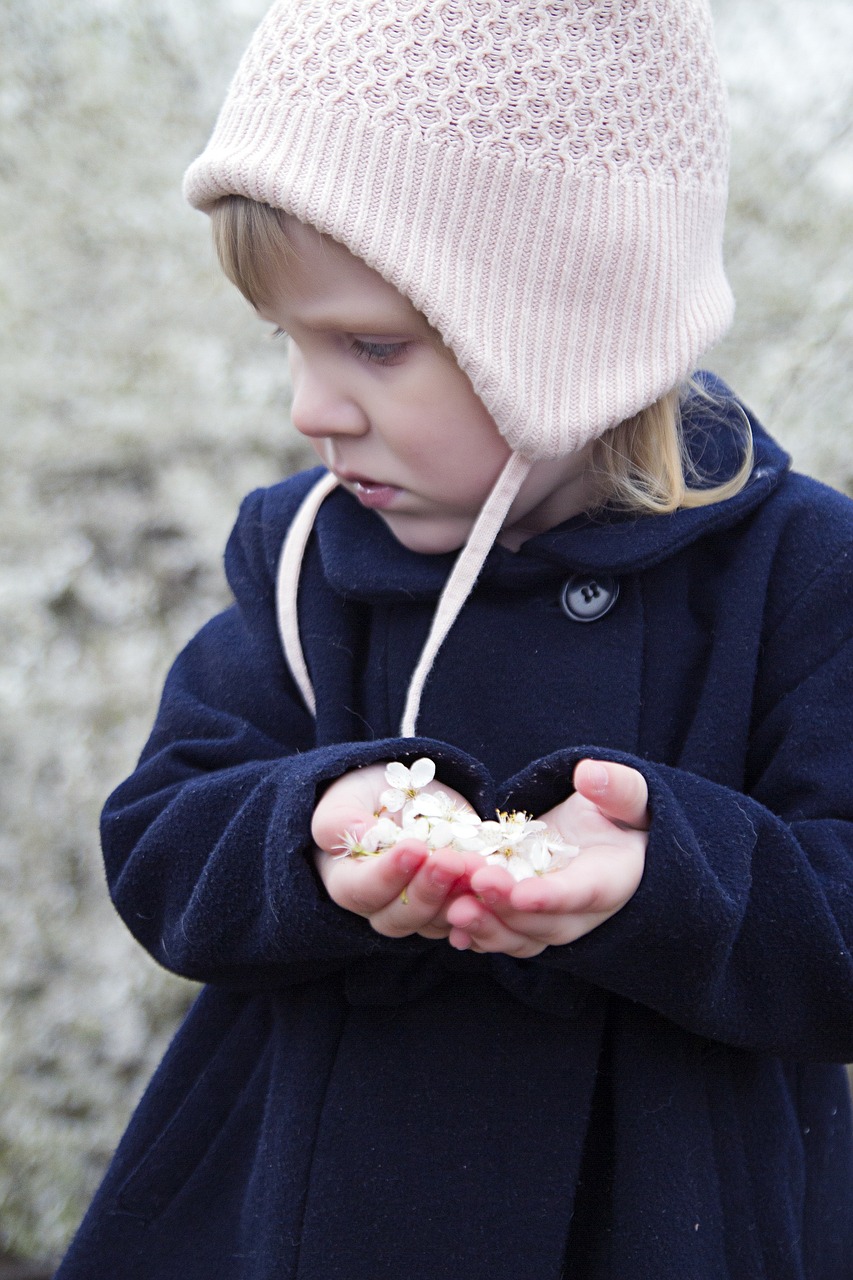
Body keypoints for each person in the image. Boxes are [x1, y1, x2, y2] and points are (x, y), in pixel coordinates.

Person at [55, 1, 853, 1277]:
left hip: (660, 1214)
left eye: (375, 346)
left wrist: (660, 875)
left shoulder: (794, 571)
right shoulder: (309, 554)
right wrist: (314, 829)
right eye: (292, 343)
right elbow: (161, 837)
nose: (315, 407)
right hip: (304, 1212)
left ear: (570, 327)